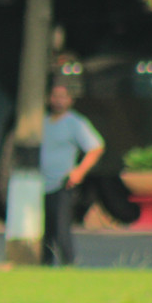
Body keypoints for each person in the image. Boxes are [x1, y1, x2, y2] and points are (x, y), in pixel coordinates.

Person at [39, 81, 104, 266]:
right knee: (46, 230)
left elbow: (96, 147)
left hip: (63, 183)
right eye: (54, 96)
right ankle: (45, 265)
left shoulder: (76, 123)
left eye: (62, 97)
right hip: (43, 184)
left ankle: (69, 264)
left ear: (70, 100)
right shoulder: (42, 122)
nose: (58, 101)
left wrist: (79, 172)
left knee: (61, 229)